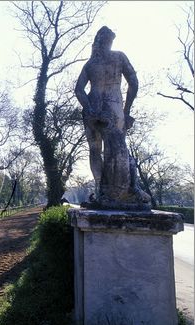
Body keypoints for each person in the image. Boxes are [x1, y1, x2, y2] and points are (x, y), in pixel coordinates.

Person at [75, 26, 150, 209]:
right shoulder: (118, 57)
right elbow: (133, 82)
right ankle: (117, 191)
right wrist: (126, 110)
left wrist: (89, 108)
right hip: (113, 106)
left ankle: (105, 190)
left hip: (93, 107)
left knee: (99, 150)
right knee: (116, 149)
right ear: (110, 40)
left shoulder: (90, 64)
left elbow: (79, 90)